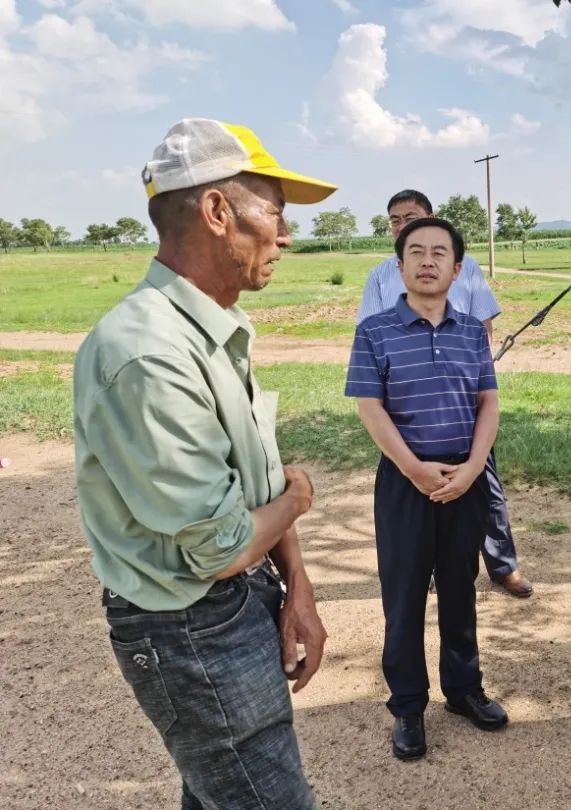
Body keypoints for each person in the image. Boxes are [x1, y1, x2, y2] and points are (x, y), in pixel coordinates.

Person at [74, 118, 335, 809]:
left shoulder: (211, 328)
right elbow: (222, 543)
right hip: (191, 625)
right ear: (218, 212)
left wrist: (297, 584)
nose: (285, 236)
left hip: (232, 607)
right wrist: (300, 498)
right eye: (274, 214)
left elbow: (255, 475)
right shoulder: (148, 351)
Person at [347, 217, 508, 761]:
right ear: (400, 266)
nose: (428, 260)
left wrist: (474, 467)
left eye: (440, 252)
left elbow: (488, 402)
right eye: (416, 251)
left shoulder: (471, 332)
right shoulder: (374, 332)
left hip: (466, 479)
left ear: (457, 268)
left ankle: (464, 690)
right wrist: (414, 468)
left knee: (461, 591)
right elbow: (370, 407)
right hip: (404, 481)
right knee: (405, 595)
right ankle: (408, 706)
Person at [358, 189, 532, 598]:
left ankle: (503, 564)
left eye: (411, 216)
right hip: (410, 407)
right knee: (419, 486)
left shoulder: (463, 266)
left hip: (463, 399)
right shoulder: (382, 275)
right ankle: (435, 564)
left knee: (483, 486)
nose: (402, 225)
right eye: (395, 220)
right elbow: (369, 337)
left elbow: (483, 324)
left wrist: (472, 375)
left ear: (430, 217)